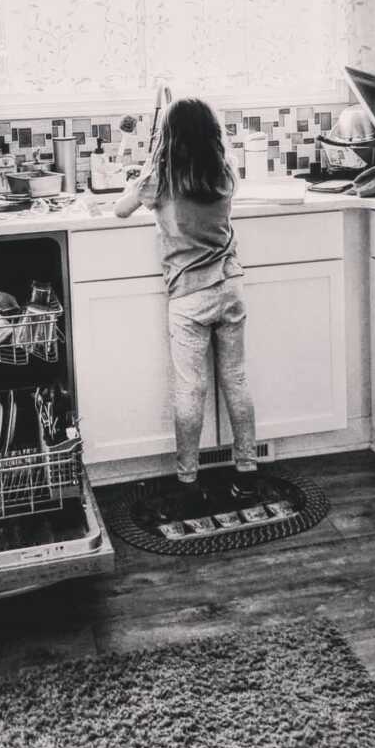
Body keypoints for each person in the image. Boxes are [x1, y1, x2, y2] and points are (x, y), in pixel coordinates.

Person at [114, 98, 259, 520]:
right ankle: (247, 474)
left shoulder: (159, 176)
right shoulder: (224, 170)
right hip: (230, 287)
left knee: (189, 389)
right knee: (236, 379)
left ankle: (188, 483)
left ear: (168, 135)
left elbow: (120, 211)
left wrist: (141, 176)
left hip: (189, 297)